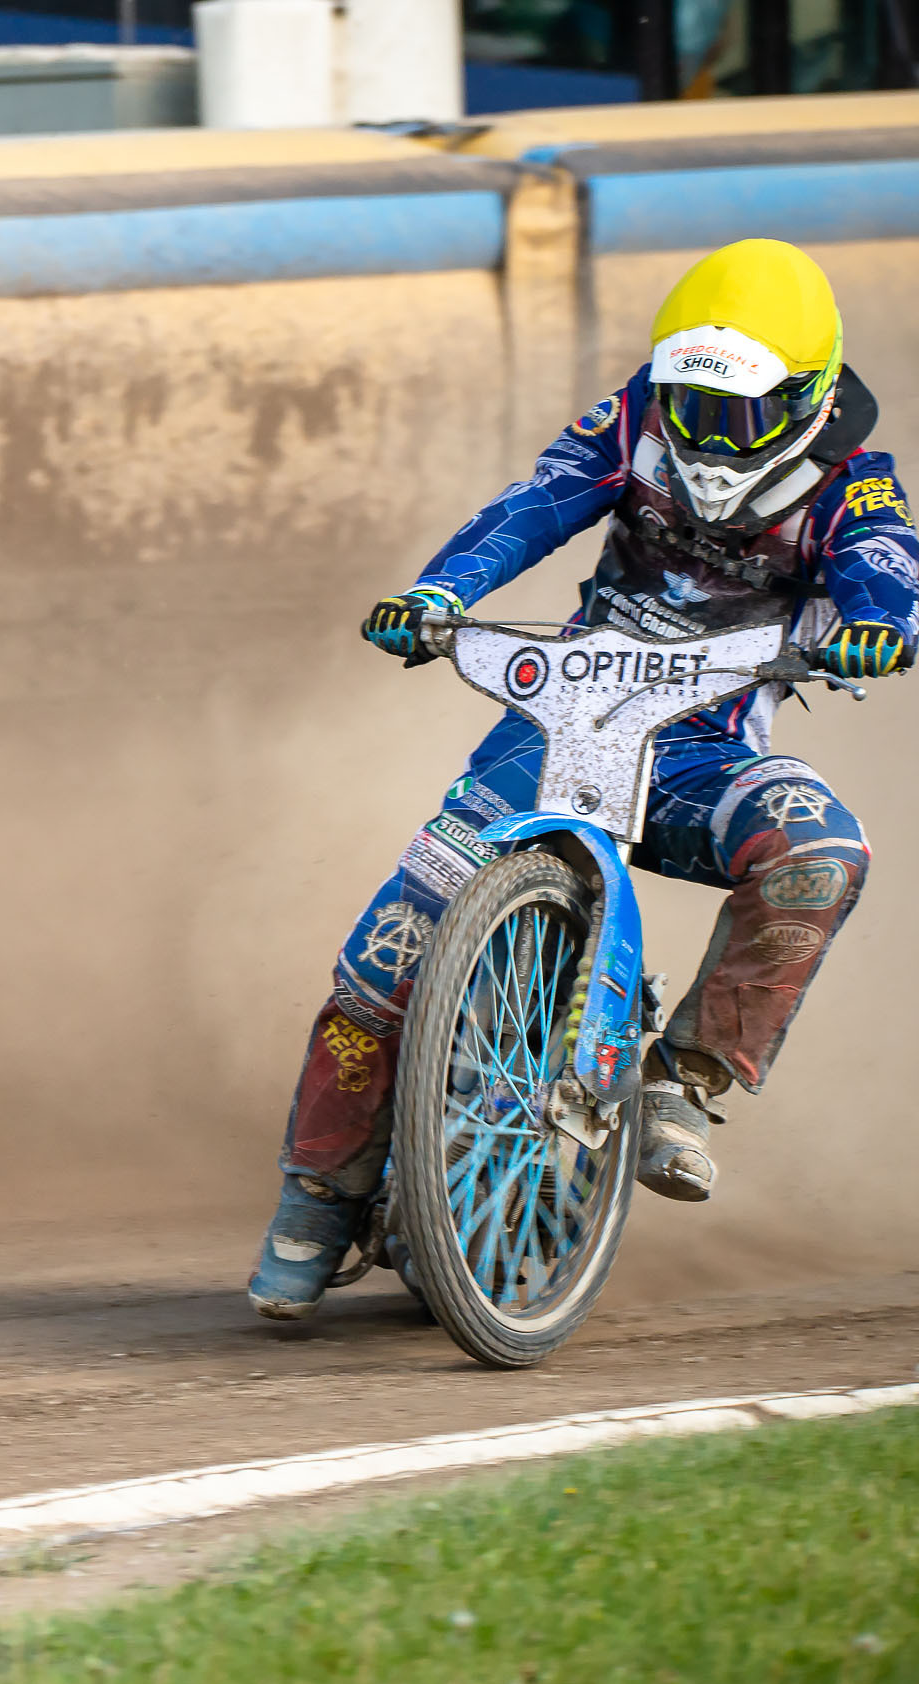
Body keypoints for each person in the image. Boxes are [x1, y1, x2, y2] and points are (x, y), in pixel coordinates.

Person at [248, 238, 919, 1322]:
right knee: (380, 965)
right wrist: (435, 595)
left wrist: (880, 630)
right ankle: (319, 1191)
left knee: (820, 851)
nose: (707, 435)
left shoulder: (856, 482)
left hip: (702, 759)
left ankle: (683, 1076)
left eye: (739, 413)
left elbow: (886, 565)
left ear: (805, 396)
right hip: (554, 729)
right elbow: (536, 503)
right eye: (690, 403)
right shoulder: (629, 418)